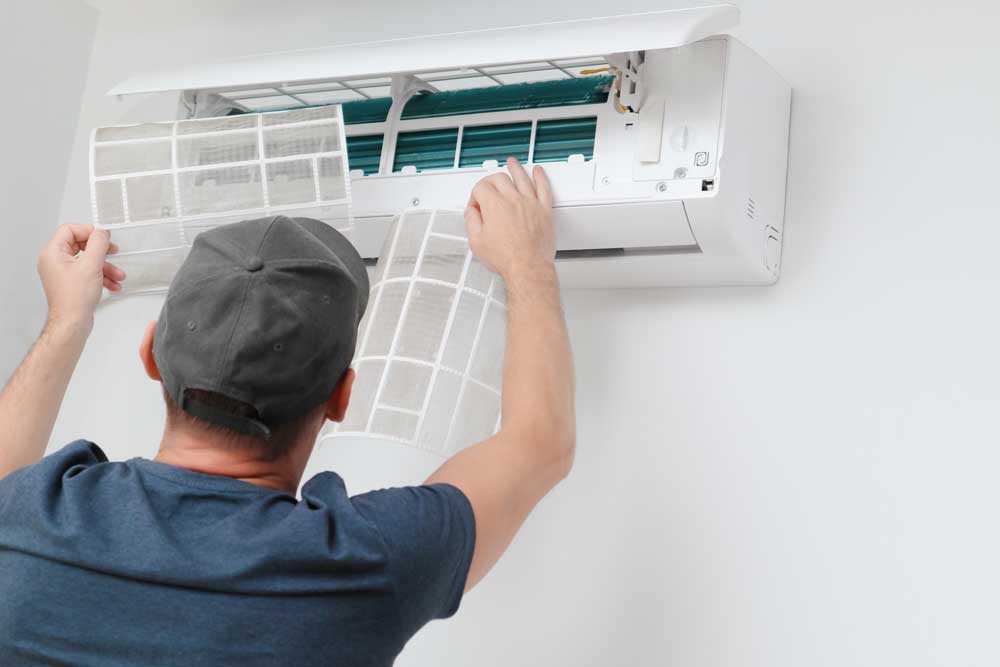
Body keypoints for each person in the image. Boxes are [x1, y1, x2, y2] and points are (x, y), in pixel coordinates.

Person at [0, 157, 575, 666]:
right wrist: (528, 267)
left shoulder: (26, 519)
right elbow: (538, 442)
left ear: (151, 355)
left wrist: (66, 320)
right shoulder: (365, 564)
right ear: (343, 396)